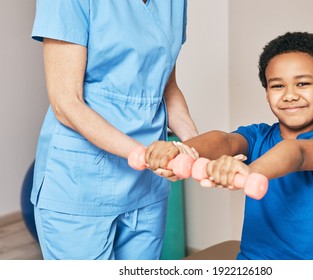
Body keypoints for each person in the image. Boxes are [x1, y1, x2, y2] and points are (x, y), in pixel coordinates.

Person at [145, 32, 313, 260]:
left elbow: (298, 153)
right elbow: (224, 140)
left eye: (302, 83)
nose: (289, 95)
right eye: (277, 86)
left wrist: (251, 171)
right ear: (267, 93)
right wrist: (180, 149)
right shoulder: (258, 136)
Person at [30, 0, 198, 260]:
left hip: (147, 184)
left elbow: (166, 87)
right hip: (81, 179)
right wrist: (145, 155)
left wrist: (197, 147)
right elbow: (66, 103)